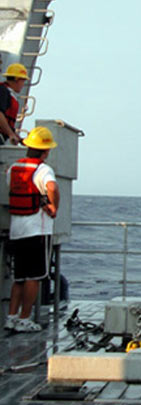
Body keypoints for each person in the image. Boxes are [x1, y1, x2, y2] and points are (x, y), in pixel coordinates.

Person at [4, 126, 59, 332]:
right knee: (34, 277)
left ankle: (11, 316)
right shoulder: (43, 170)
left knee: (18, 278)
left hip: (16, 229)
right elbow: (52, 187)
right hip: (37, 229)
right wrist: (54, 206)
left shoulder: (13, 168)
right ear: (45, 151)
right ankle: (25, 318)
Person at [0, 63, 28, 145]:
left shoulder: (7, 92)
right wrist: (11, 134)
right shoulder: (3, 91)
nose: (23, 84)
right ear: (17, 79)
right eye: (23, 81)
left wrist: (19, 139)